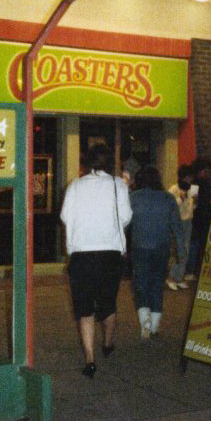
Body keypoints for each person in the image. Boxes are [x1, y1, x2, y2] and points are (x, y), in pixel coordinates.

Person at [60, 144, 132, 379]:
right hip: (109, 254)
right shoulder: (118, 184)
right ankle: (108, 343)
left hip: (81, 255)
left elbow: (64, 216)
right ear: (110, 162)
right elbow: (126, 217)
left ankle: (90, 359)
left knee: (84, 309)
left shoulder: (75, 185)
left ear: (87, 162)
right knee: (108, 302)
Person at [129, 166, 186, 341]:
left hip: (139, 246)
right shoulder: (168, 198)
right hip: (162, 247)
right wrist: (181, 250)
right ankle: (154, 326)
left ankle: (144, 319)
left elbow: (124, 223)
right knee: (156, 284)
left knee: (140, 284)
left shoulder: (133, 198)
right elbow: (177, 226)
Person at [185, 157, 211, 281]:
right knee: (195, 245)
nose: (207, 174)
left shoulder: (201, 184)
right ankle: (191, 271)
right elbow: (193, 204)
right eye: (205, 171)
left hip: (202, 218)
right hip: (197, 218)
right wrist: (208, 203)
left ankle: (195, 270)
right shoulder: (195, 185)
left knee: (198, 245)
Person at [166, 164, 196, 290]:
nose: (190, 181)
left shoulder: (191, 189)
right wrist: (180, 198)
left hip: (187, 222)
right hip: (176, 223)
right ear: (182, 177)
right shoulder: (173, 189)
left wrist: (194, 202)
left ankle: (179, 277)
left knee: (186, 249)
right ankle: (170, 277)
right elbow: (170, 207)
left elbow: (190, 208)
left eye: (191, 178)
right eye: (188, 178)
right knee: (176, 250)